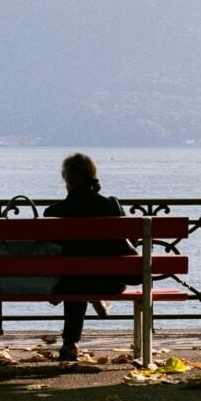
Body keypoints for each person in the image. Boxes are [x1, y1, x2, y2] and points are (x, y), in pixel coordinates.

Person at [44, 153, 136, 361]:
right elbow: (128, 243)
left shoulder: (53, 213)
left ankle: (70, 343)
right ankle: (95, 300)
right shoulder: (111, 206)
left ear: (65, 177)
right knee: (83, 272)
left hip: (68, 284)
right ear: (93, 175)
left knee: (75, 273)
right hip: (109, 282)